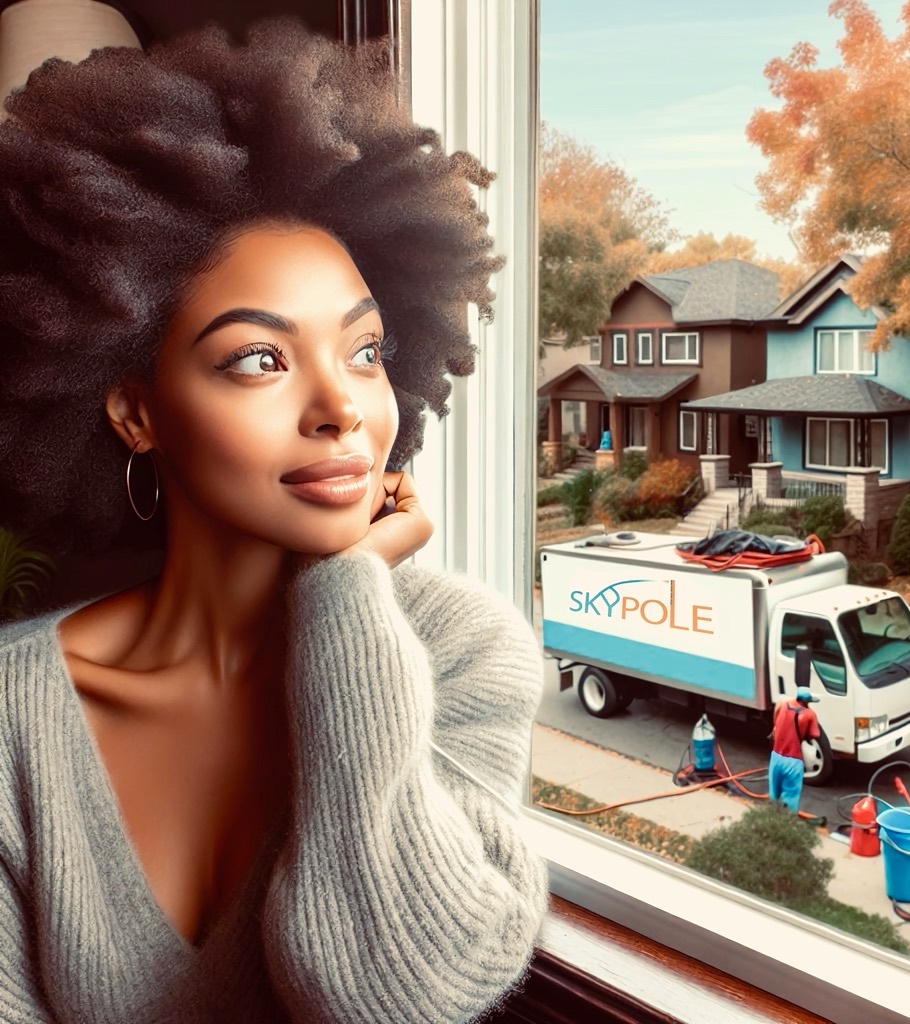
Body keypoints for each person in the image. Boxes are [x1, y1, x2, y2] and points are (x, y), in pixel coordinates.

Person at [0, 20, 546, 1023]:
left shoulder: (464, 653)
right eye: (259, 358)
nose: (342, 408)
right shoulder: (9, 716)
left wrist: (347, 584)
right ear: (136, 410)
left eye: (368, 352)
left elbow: (394, 996)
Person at [768, 686, 821, 813]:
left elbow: (775, 722)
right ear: (807, 701)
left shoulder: (783, 705)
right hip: (793, 761)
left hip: (775, 757)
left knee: (773, 793)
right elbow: (815, 734)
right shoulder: (809, 714)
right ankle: (787, 824)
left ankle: (769, 821)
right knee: (790, 797)